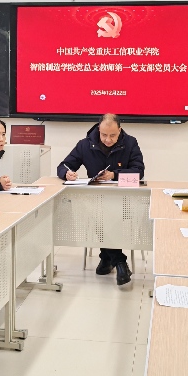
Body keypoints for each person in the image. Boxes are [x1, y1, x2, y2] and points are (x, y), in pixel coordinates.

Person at [56, 113, 145, 286]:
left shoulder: (130, 143)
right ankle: (119, 262)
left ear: (120, 130)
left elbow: (139, 172)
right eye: (104, 135)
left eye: (113, 135)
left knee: (103, 215)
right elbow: (63, 166)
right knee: (100, 213)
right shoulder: (85, 144)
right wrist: (67, 173)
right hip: (95, 200)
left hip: (123, 201)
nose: (108, 140)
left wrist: (114, 175)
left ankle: (106, 257)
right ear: (98, 130)